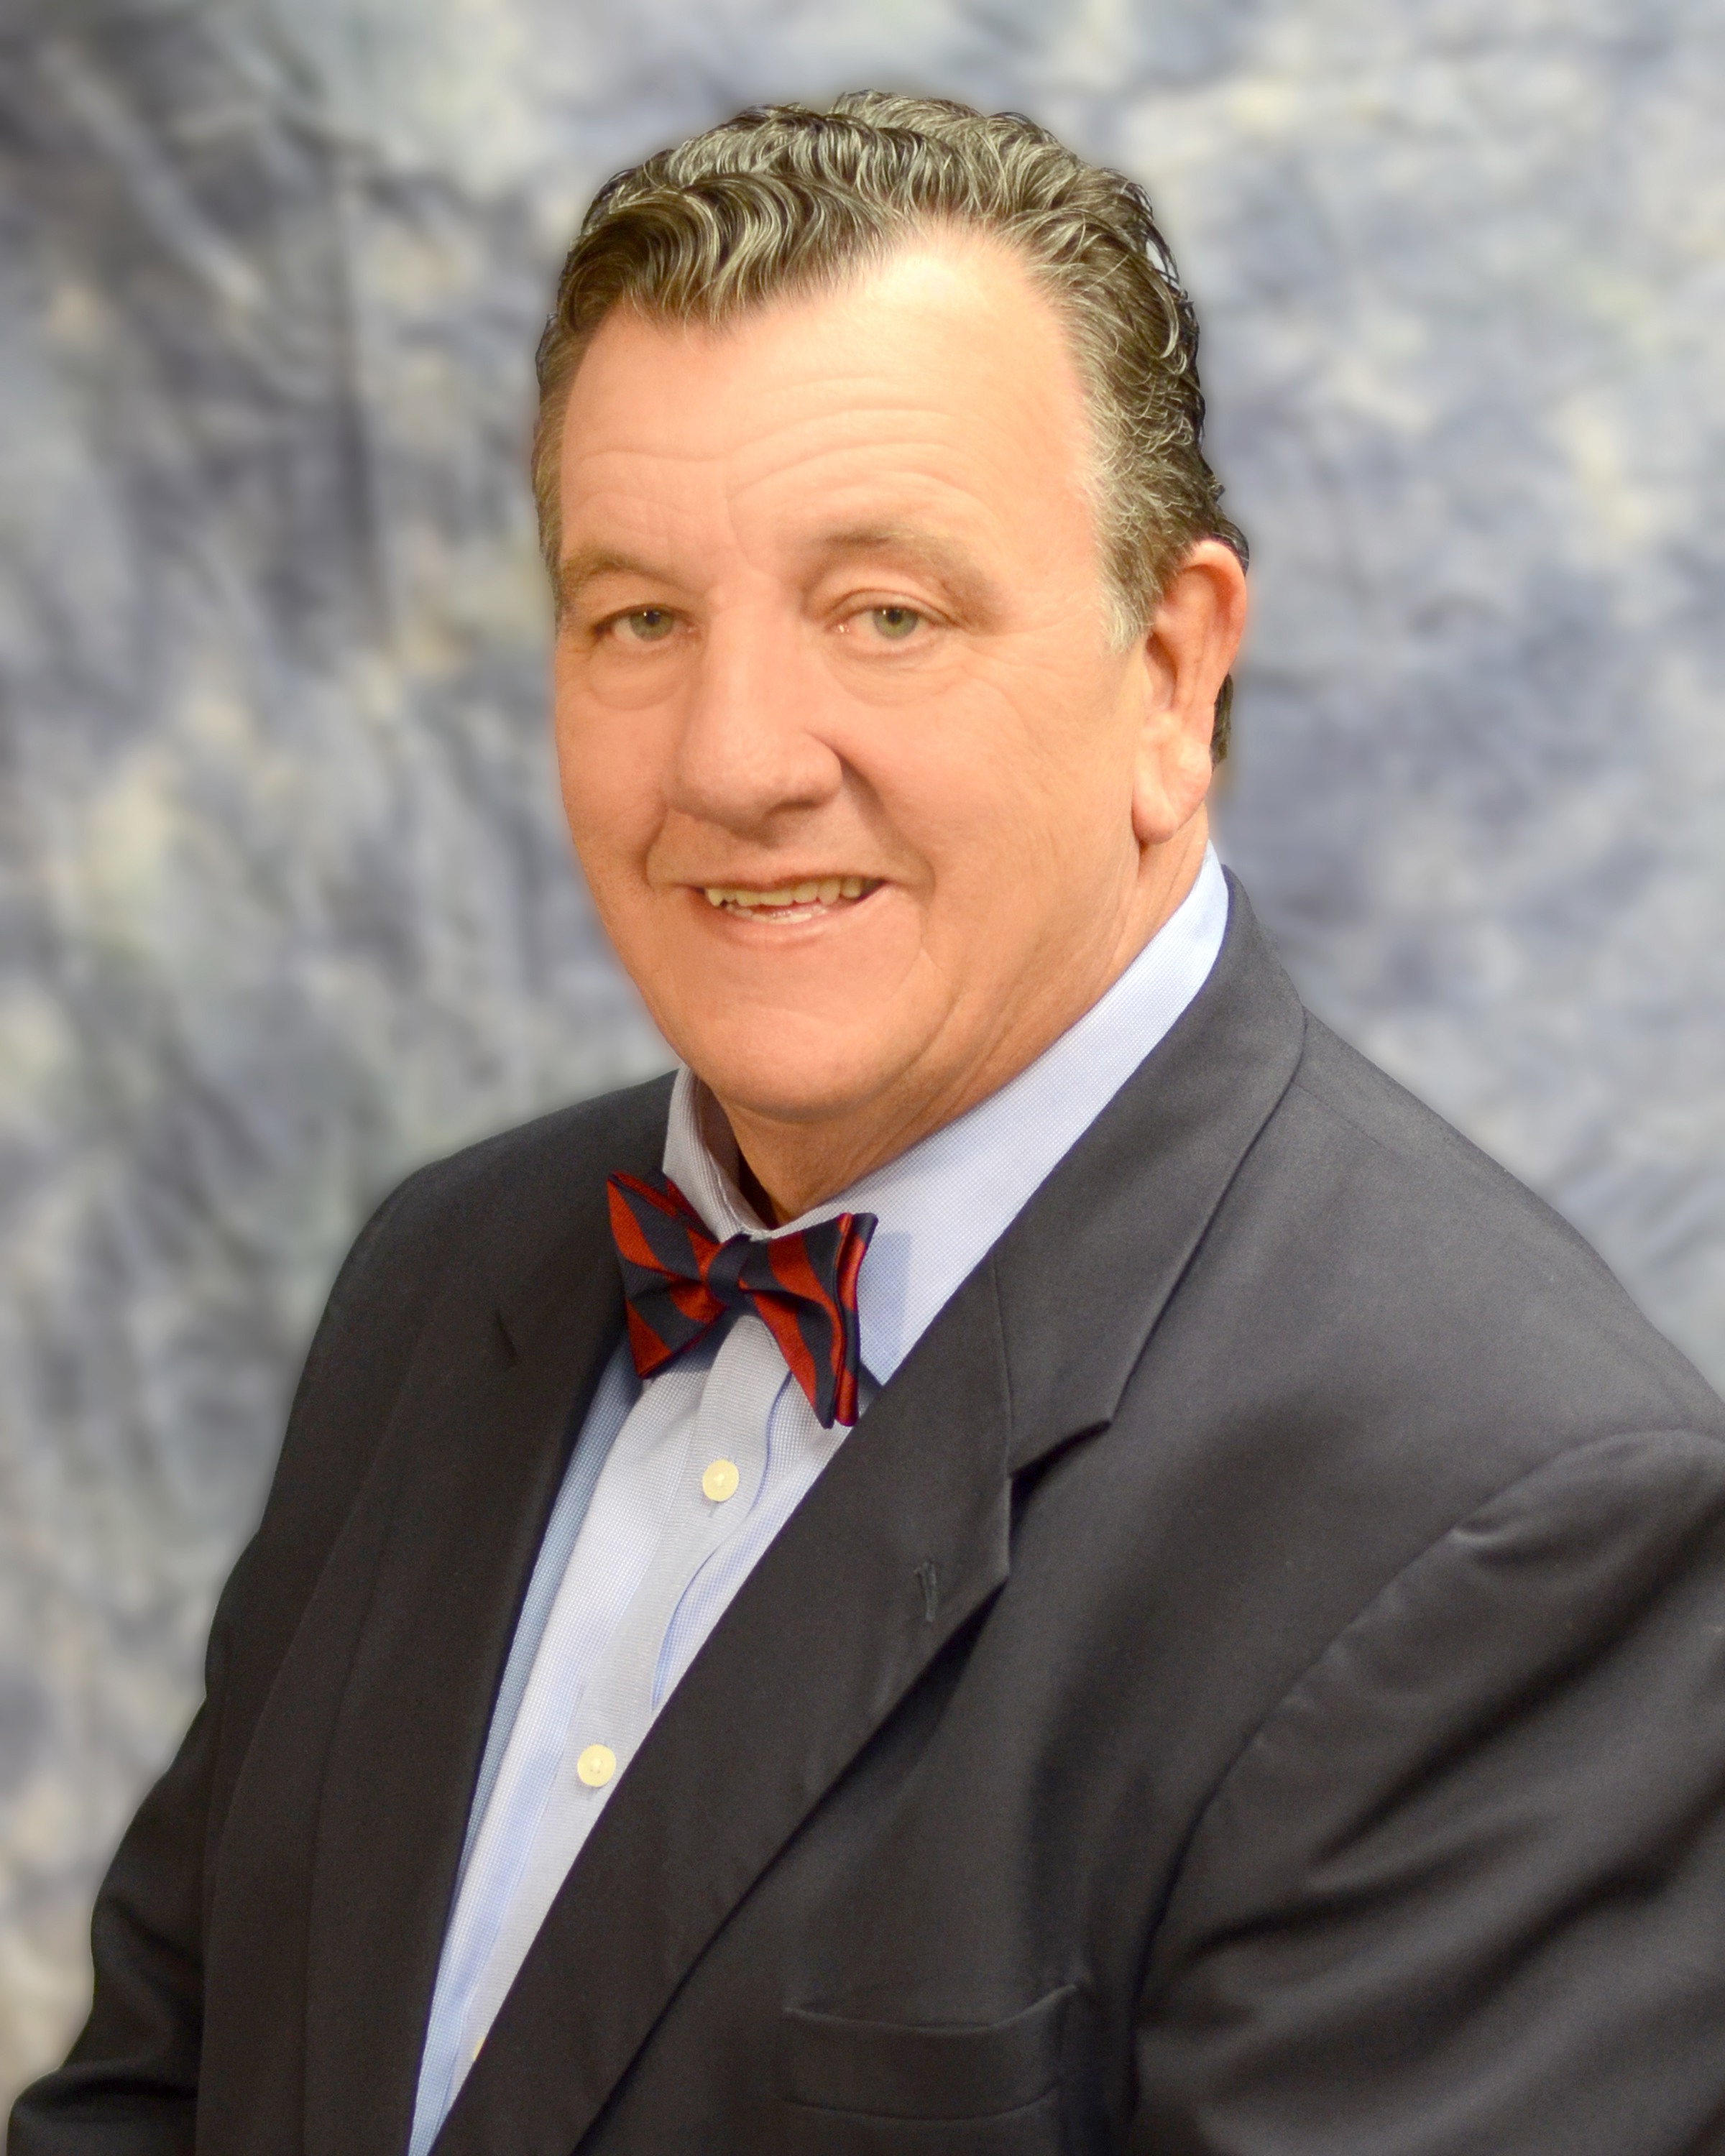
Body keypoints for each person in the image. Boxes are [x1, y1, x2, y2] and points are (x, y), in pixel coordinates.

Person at [12, 91, 1725, 2156]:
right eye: (640, 618)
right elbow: (153, 2099)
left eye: (885, 613)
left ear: (1171, 675)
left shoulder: (1506, 1520)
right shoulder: (444, 1279)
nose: (733, 762)